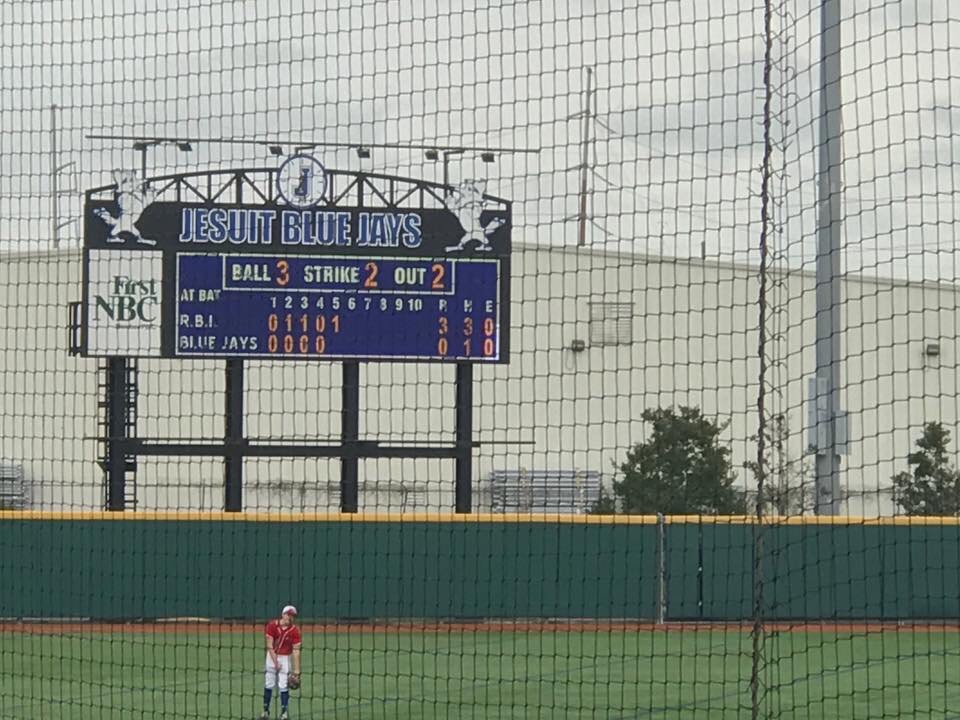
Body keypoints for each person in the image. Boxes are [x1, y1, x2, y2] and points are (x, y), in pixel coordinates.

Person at [261, 604, 302, 720]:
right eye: (289, 615)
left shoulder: (295, 631)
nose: (291, 618)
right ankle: (265, 712)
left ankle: (284, 714)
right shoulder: (272, 626)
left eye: (293, 616)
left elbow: (296, 651)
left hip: (285, 658)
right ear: (283, 614)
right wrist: (275, 662)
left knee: (283, 685)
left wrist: (297, 671)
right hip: (271, 657)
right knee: (268, 684)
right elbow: (269, 646)